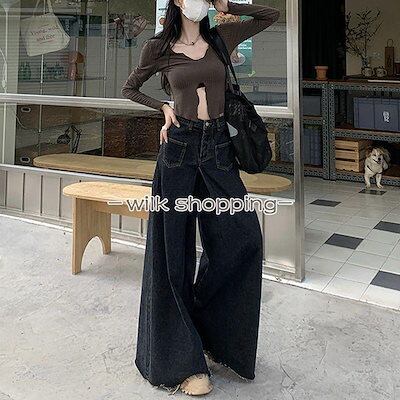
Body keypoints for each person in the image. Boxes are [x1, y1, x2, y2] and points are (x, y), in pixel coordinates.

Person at [121, 0, 279, 395]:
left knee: (243, 238)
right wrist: (162, 107)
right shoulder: (158, 47)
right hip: (179, 148)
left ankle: (208, 332)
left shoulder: (222, 36)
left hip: (218, 150)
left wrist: (228, 5)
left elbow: (270, 15)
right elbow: (129, 88)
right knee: (171, 252)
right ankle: (183, 362)